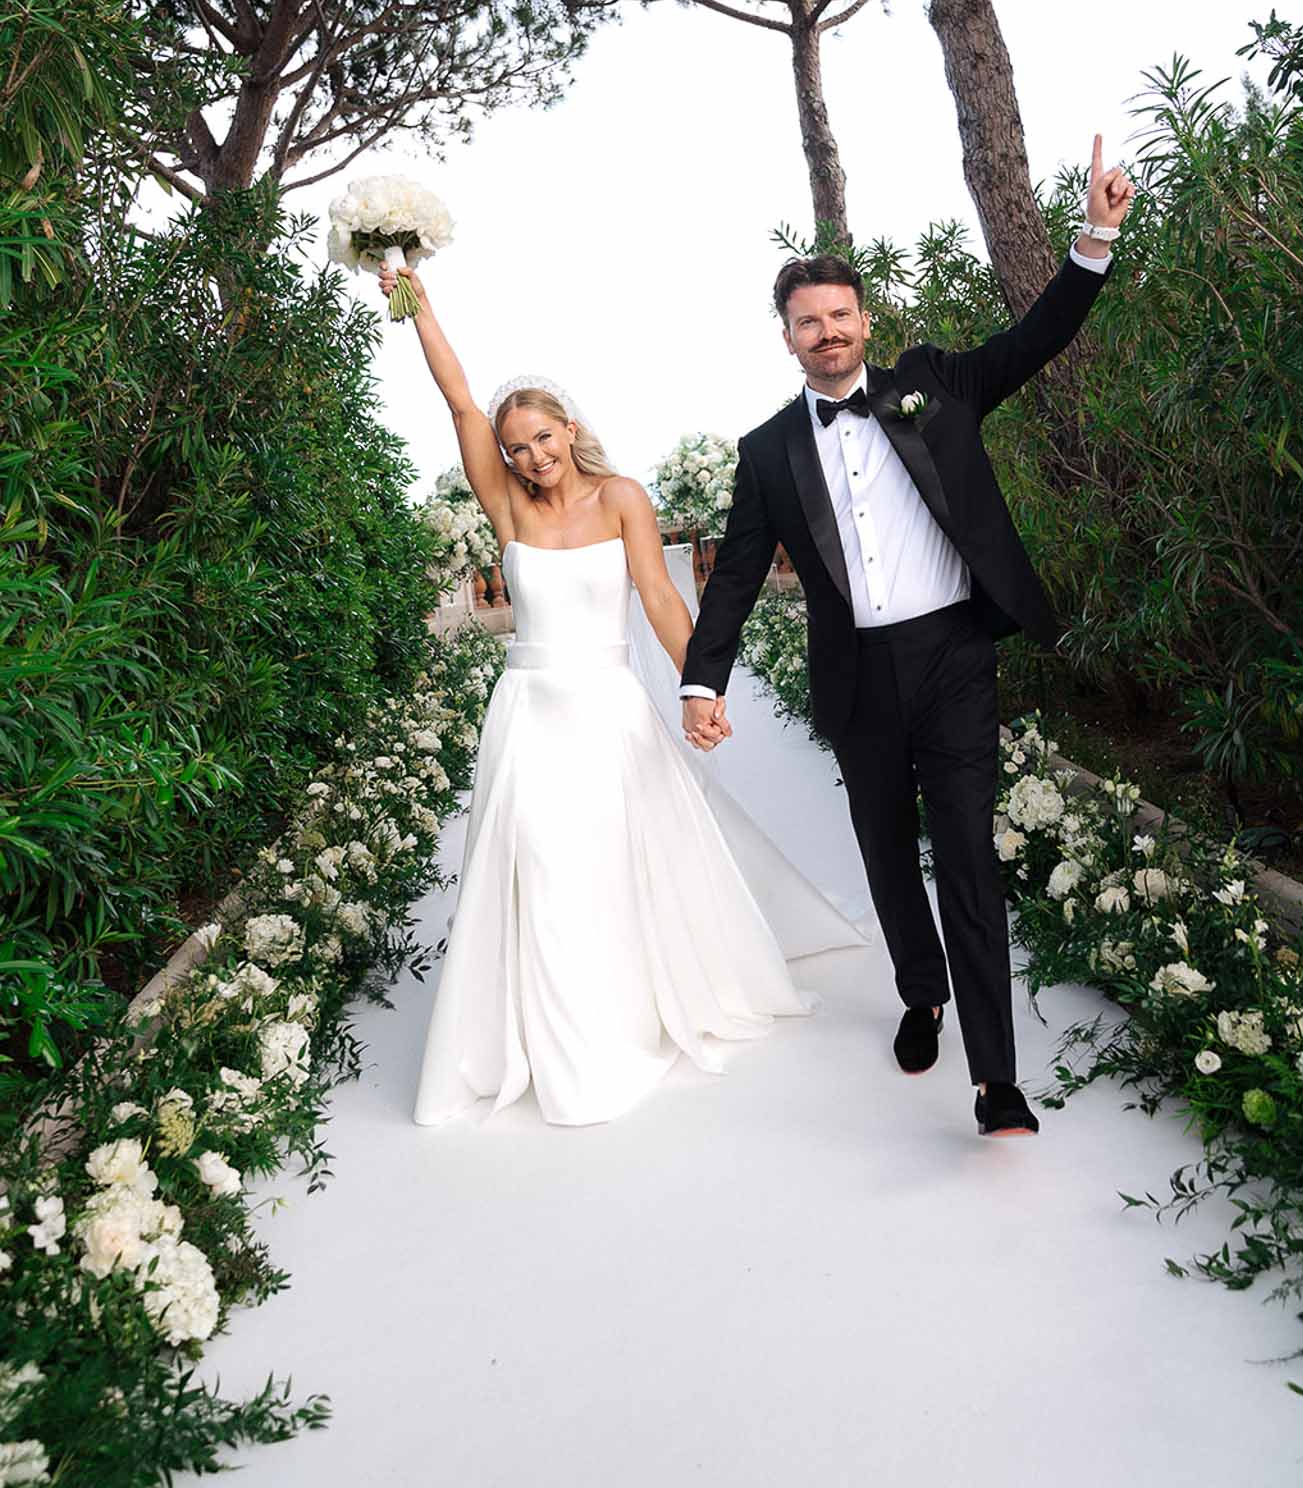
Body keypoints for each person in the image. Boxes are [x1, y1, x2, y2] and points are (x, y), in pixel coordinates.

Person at [680, 136, 1135, 1139]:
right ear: (787, 337)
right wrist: (698, 681)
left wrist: (1093, 236)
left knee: (966, 854)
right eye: (809, 323)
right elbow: (740, 573)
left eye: (841, 316)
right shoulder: (766, 452)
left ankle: (994, 1080)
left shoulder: (932, 384)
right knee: (888, 854)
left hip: (953, 659)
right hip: (856, 679)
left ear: (863, 322)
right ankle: (918, 989)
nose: (828, 333)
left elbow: (1032, 339)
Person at [379, 263, 849, 1127]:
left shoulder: (623, 498)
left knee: (614, 864)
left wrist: (700, 689)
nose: (529, 456)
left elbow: (665, 601)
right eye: (516, 446)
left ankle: (631, 1008)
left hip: (608, 711)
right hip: (527, 716)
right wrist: (418, 303)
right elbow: (457, 405)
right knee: (542, 870)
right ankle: (555, 1037)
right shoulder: (510, 511)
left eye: (540, 439)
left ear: (569, 428)